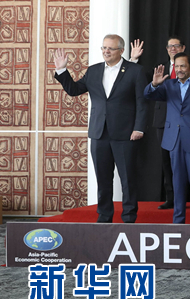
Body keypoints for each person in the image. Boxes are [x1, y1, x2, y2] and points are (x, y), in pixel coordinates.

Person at [53, 35, 149, 223]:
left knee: (128, 179)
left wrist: (139, 128)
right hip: (99, 134)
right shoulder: (94, 70)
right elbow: (74, 90)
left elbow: (142, 103)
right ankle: (104, 217)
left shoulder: (135, 71)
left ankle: (129, 218)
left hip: (126, 134)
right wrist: (62, 70)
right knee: (103, 180)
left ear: (121, 51)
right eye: (104, 48)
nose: (106, 51)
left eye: (111, 48)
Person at [144, 53, 190, 224]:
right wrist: (154, 84)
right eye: (177, 66)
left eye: (183, 66)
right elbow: (149, 95)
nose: (179, 69)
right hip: (174, 141)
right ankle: (178, 220)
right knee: (177, 181)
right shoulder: (168, 85)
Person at [152, 36, 187, 210]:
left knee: (183, 160)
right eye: (170, 46)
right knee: (166, 160)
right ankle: (171, 198)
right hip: (163, 120)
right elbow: (149, 92)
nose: (173, 48)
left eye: (176, 46)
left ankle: (184, 197)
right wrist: (154, 84)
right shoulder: (160, 69)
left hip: (184, 120)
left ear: (183, 48)